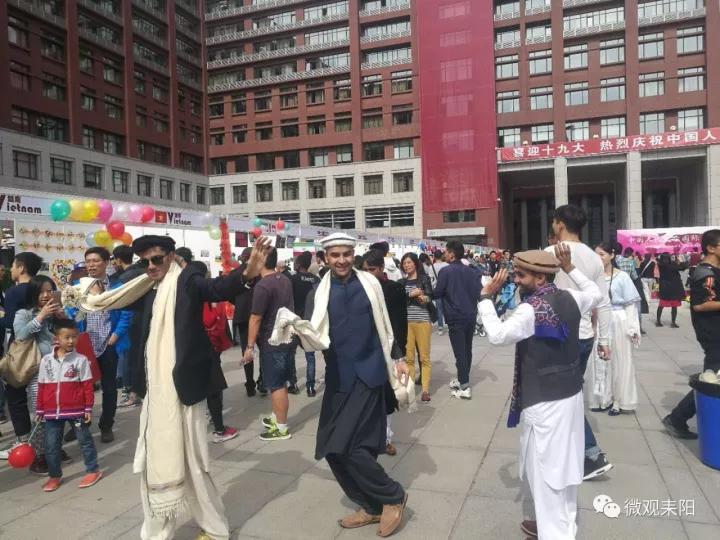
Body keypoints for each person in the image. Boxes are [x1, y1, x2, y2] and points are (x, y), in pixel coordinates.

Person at [79, 234, 271, 540]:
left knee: (193, 463)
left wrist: (246, 273)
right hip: (156, 393)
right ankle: (156, 533)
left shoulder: (187, 280)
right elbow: (111, 298)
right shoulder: (144, 286)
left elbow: (216, 288)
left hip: (184, 389)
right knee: (154, 461)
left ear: (170, 256)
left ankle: (215, 529)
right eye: (145, 261)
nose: (151, 266)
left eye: (157, 259)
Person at [478, 246, 602, 540]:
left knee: (546, 472)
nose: (516, 280)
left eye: (521, 275)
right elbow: (596, 293)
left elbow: (497, 335)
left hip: (545, 402)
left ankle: (555, 533)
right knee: (564, 468)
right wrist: (570, 268)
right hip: (569, 395)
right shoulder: (570, 297)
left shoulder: (530, 309)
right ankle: (559, 525)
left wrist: (485, 298)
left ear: (540, 278)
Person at [305, 233, 409, 537]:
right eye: (335, 255)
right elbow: (310, 337)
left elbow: (386, 324)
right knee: (331, 447)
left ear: (354, 254)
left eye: (346, 254)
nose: (341, 260)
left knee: (353, 448)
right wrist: (294, 332)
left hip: (370, 373)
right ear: (325, 258)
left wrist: (399, 357)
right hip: (339, 378)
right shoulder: (317, 292)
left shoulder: (370, 283)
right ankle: (370, 505)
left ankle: (392, 496)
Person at [546, 204, 613, 480]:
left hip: (557, 336)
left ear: (560, 224)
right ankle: (572, 449)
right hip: (585, 335)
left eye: (554, 222)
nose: (553, 225)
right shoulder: (594, 258)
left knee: (564, 396)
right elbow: (603, 302)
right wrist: (604, 339)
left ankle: (591, 454)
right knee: (568, 392)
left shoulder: (549, 253)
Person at [65, 247, 133, 444]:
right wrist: (71, 316)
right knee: (79, 387)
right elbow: (70, 310)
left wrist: (116, 336)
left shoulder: (117, 286)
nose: (91, 265)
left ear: (106, 262)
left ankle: (106, 425)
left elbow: (127, 313)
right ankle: (80, 425)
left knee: (109, 388)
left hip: (109, 344)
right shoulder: (77, 286)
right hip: (84, 345)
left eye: (95, 261)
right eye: (88, 261)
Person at [663, 229, 720, 439]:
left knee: (711, 379)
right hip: (713, 333)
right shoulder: (706, 274)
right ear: (711, 248)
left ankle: (678, 418)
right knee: (710, 380)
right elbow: (700, 305)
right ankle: (677, 418)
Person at [36, 319, 102, 492]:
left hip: (77, 411)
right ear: (57, 338)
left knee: (85, 441)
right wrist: (40, 409)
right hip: (52, 412)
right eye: (67, 337)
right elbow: (42, 386)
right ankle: (54, 476)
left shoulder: (81, 360)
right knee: (51, 446)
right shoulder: (46, 361)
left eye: (74, 337)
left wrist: (88, 408)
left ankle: (93, 470)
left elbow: (87, 386)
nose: (71, 341)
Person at [13, 275, 68, 474]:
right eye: (41, 291)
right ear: (33, 293)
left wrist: (64, 320)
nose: (46, 295)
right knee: (41, 414)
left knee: (59, 411)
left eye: (49, 291)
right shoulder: (23, 313)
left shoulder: (56, 313)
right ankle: (39, 456)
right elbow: (20, 335)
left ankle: (54, 449)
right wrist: (41, 316)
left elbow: (71, 335)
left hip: (59, 369)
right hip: (38, 372)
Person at [244, 247, 295, 441]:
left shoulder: (263, 285)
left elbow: (255, 318)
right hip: (287, 337)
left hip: (272, 341)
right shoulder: (285, 279)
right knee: (280, 381)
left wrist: (249, 347)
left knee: (276, 385)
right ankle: (276, 417)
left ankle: (281, 428)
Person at [361, 249, 407, 456]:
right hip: (366, 352)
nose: (368, 274)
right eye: (365, 270)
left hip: (389, 350)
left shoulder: (394, 289)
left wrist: (399, 353)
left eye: (372, 269)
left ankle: (386, 438)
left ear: (381, 268)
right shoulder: (358, 289)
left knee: (388, 397)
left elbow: (399, 323)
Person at [587, 243, 640, 416]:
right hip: (599, 321)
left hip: (618, 320)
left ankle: (619, 400)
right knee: (600, 360)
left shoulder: (622, 277)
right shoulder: (592, 278)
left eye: (601, 254)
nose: (598, 258)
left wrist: (633, 328)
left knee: (620, 360)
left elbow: (631, 305)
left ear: (612, 255)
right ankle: (602, 398)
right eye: (595, 255)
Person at [0, 252, 43, 456]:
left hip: (20, 350)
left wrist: (2, 317)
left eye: (13, 266)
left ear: (22, 268)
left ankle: (23, 440)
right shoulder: (43, 285)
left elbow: (11, 323)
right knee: (41, 397)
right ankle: (44, 441)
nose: (10, 270)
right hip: (43, 347)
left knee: (16, 395)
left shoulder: (13, 292)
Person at [197, 261, 240, 445]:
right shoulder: (204, 295)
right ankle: (219, 429)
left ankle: (207, 418)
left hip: (197, 347)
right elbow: (210, 321)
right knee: (214, 387)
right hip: (207, 347)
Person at [432, 240, 481, 400]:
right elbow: (478, 292)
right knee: (467, 349)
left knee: (460, 351)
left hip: (455, 316)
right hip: (471, 314)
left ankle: (465, 386)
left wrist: (427, 293)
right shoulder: (472, 272)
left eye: (446, 251)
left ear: (452, 254)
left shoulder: (446, 271)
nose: (444, 254)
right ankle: (462, 378)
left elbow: (438, 293)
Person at [112, 244, 144, 408]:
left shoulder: (124, 278)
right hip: (142, 319)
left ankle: (132, 394)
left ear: (118, 260)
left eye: (114, 259)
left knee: (129, 359)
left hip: (130, 321)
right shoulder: (141, 272)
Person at [399, 253, 433, 403]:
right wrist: (411, 293)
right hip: (406, 323)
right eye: (404, 263)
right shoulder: (401, 282)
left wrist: (424, 298)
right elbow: (399, 298)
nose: (406, 265)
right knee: (409, 358)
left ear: (415, 263)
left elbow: (430, 296)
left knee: (424, 357)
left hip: (422, 321)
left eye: (409, 262)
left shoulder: (424, 279)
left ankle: (425, 390)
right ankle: (410, 389)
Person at [232, 247, 265, 397]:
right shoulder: (261, 272)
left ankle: (250, 384)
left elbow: (229, 293)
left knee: (247, 351)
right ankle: (263, 381)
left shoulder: (236, 273)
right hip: (259, 315)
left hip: (242, 316)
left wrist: (239, 303)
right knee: (264, 349)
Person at [289, 252, 320, 397]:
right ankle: (310, 387)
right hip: (310, 321)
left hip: (294, 321)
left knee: (291, 354)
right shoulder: (316, 280)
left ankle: (293, 384)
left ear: (299, 265)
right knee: (310, 356)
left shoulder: (292, 279)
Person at [656, 253, 688, 327]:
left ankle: (660, 321)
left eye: (667, 259)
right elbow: (683, 267)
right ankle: (671, 322)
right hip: (672, 288)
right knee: (669, 305)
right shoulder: (670, 266)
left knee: (664, 305)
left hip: (666, 288)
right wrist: (680, 260)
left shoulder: (661, 265)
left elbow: (680, 267)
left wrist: (677, 262)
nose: (666, 260)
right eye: (665, 259)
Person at [430, 250, 448, 335]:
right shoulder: (447, 265)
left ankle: (440, 328)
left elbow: (431, 280)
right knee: (447, 307)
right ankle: (449, 324)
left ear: (434, 257)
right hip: (446, 289)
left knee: (439, 309)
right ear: (441, 256)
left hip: (437, 289)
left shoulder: (432, 267)